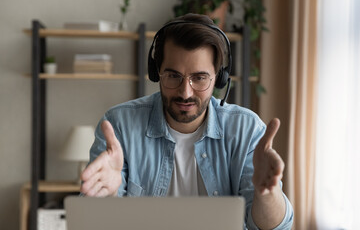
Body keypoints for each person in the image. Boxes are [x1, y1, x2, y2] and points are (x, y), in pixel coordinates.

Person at [80, 13, 293, 229]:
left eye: (199, 78)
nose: (185, 92)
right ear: (157, 73)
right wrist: (108, 198)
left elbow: (275, 228)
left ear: (219, 78)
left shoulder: (246, 129)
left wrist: (267, 194)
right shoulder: (119, 125)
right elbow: (95, 224)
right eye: (173, 76)